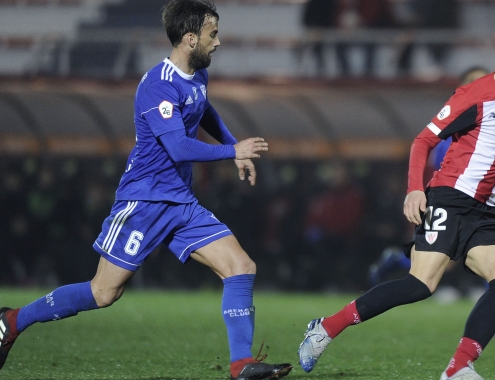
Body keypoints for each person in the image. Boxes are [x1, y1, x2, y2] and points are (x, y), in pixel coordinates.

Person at [297, 20, 495, 380]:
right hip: (450, 198)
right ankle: (326, 328)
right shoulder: (474, 96)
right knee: (420, 285)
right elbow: (423, 141)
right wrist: (415, 189)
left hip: (485, 211)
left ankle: (458, 368)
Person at [0, 1, 292, 379]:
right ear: (190, 39)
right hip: (144, 201)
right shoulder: (157, 85)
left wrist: (233, 145)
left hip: (181, 203)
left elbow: (204, 109)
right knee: (104, 293)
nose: (218, 43)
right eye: (212, 35)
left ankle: (241, 366)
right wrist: (231, 150)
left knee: (241, 267)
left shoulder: (197, 76)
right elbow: (177, 147)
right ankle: (12, 320)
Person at [368, 65, 495, 339]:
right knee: (443, 266)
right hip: (461, 205)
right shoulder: (455, 128)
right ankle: (398, 260)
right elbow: (451, 167)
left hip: (490, 202)